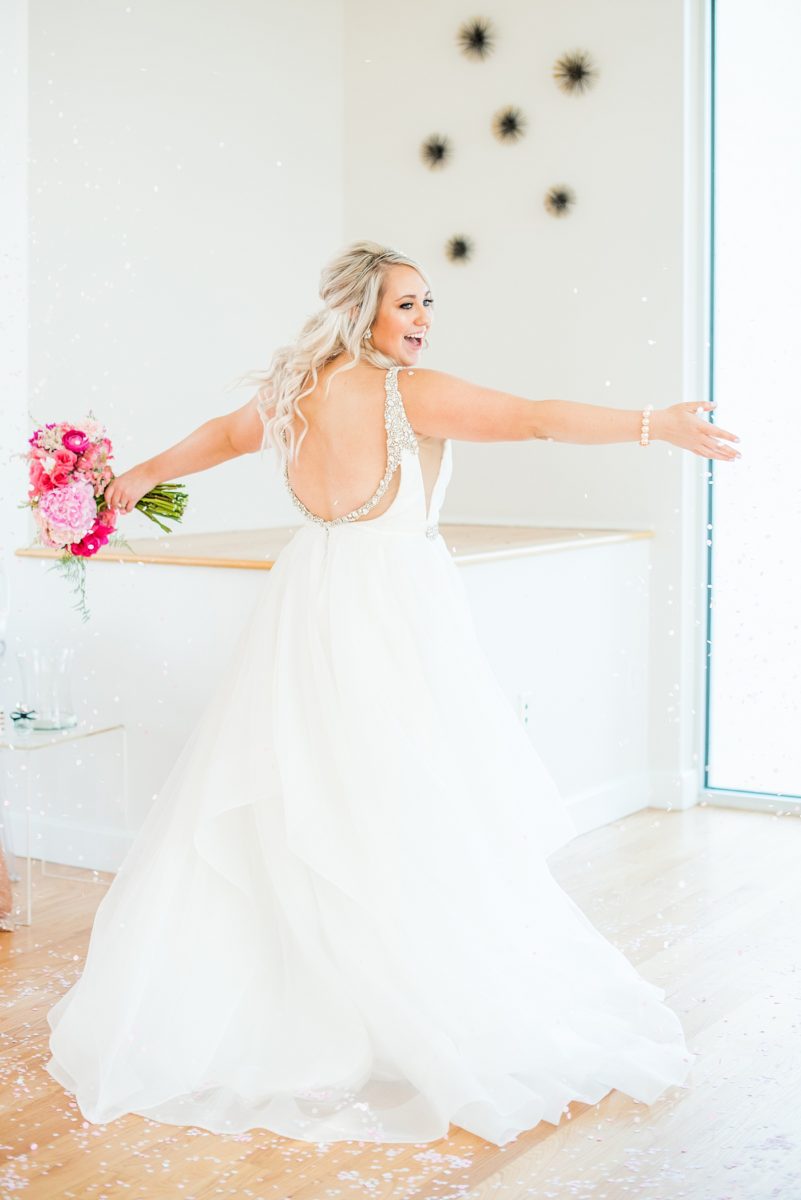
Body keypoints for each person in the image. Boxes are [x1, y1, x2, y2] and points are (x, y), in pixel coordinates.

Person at [44, 240, 739, 1147]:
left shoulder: (293, 390)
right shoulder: (406, 393)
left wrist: (132, 479)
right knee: (396, 798)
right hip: (391, 604)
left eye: (426, 305)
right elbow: (532, 419)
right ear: (359, 310)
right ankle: (398, 1004)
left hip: (308, 595)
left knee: (309, 790)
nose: (421, 322)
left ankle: (319, 997)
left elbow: (220, 438)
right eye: (405, 305)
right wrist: (655, 423)